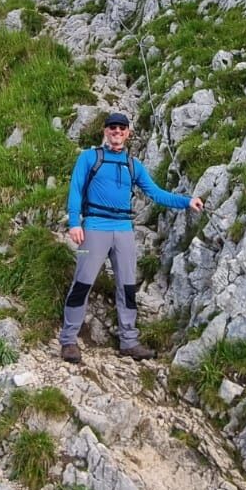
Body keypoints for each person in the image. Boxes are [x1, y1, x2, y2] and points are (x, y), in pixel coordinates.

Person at [59, 111, 203, 364]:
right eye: (112, 127)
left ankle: (129, 341)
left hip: (124, 231)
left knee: (126, 286)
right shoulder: (89, 157)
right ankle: (69, 340)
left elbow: (156, 193)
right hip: (93, 227)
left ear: (128, 133)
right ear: (105, 131)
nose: (117, 131)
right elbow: (76, 189)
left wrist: (187, 201)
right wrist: (74, 223)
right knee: (82, 282)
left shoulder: (133, 165)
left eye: (121, 128)